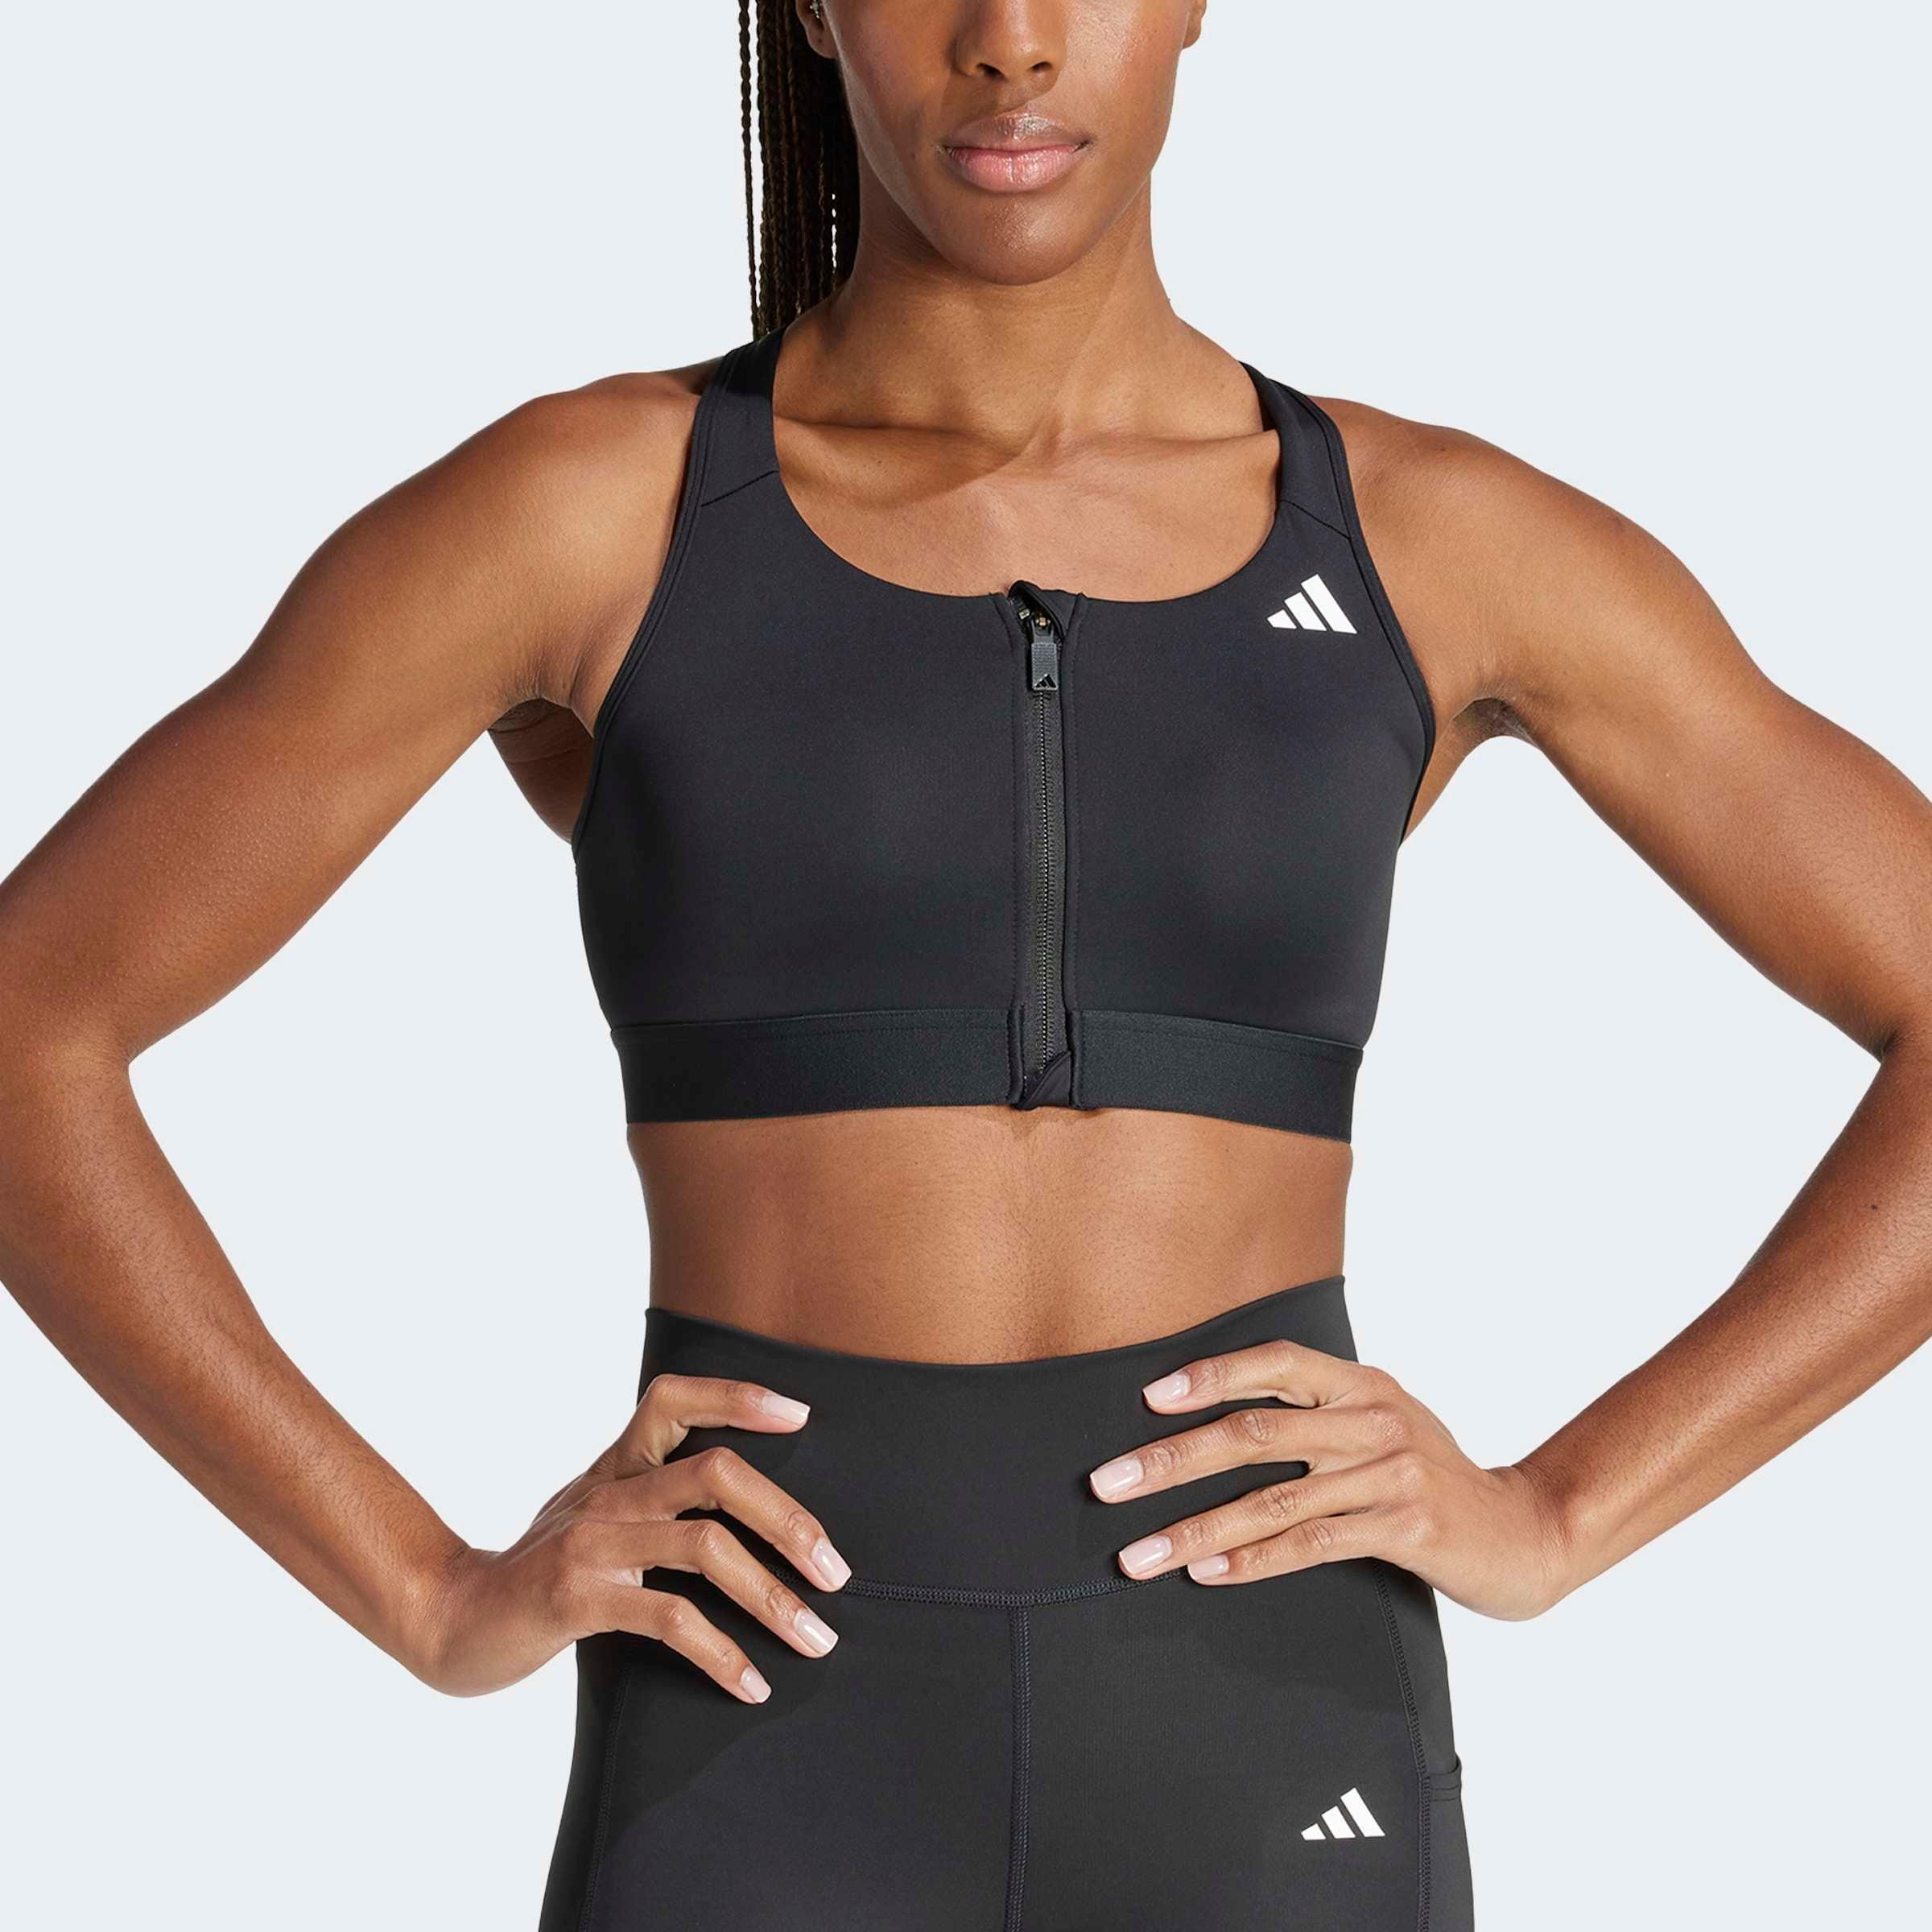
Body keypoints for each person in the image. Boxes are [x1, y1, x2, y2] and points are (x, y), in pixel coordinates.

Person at [2, 3, 1929, 1927]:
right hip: (757, 1722)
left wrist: (1564, 1513)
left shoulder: (1437, 540)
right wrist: (428, 1594)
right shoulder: (598, 510)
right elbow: (31, 1019)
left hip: (1266, 1720)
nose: (1010, 42)